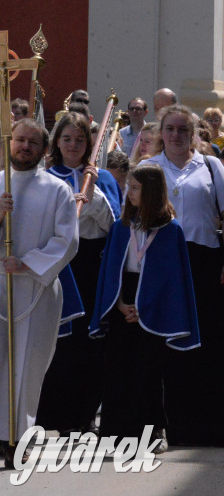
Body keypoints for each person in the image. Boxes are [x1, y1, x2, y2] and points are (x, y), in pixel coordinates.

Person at [149, 104, 224, 445]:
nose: (176, 135)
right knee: (169, 345)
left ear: (193, 133)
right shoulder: (150, 168)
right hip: (162, 265)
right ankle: (172, 426)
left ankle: (217, 427)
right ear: (161, 133)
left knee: (218, 343)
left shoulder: (210, 165)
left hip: (205, 261)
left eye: (182, 129)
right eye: (170, 129)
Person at [89, 165, 199, 451]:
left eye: (136, 188)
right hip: (122, 300)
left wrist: (145, 306)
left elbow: (170, 278)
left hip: (154, 308)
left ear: (151, 191)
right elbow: (111, 272)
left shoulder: (170, 230)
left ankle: (154, 431)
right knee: (116, 369)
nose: (129, 192)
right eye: (129, 187)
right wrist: (121, 303)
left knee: (149, 372)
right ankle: (113, 431)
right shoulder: (121, 227)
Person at [36, 113, 121, 435]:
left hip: (90, 266)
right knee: (58, 343)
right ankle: (50, 418)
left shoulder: (102, 178)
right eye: (67, 138)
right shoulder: (47, 176)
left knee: (90, 344)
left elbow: (115, 227)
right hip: (59, 267)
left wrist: (94, 197)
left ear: (89, 145)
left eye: (80, 140)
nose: (73, 145)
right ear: (57, 142)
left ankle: (84, 417)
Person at [0, 119, 78, 458]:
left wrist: (28, 263)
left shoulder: (57, 189)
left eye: (33, 142)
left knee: (28, 364)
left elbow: (67, 241)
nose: (25, 147)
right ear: (9, 143)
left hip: (35, 289)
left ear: (44, 149)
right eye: (20, 140)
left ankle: (18, 437)